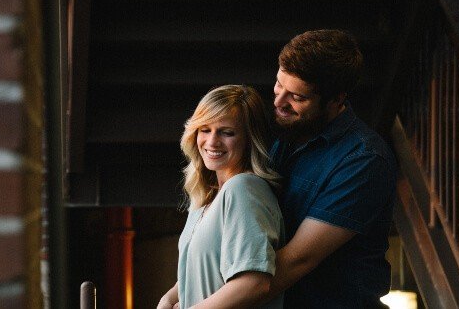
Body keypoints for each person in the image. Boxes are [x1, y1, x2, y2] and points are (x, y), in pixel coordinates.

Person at [267, 30, 397, 308]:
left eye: (297, 97)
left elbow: (297, 260)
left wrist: (213, 298)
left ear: (336, 100)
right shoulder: (284, 133)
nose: (279, 102)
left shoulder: (365, 159)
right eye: (279, 85)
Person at [158, 85, 285, 309]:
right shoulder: (205, 200)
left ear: (249, 139)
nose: (212, 141)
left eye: (227, 132)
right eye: (205, 129)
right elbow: (199, 267)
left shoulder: (244, 189)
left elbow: (253, 283)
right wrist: (168, 299)